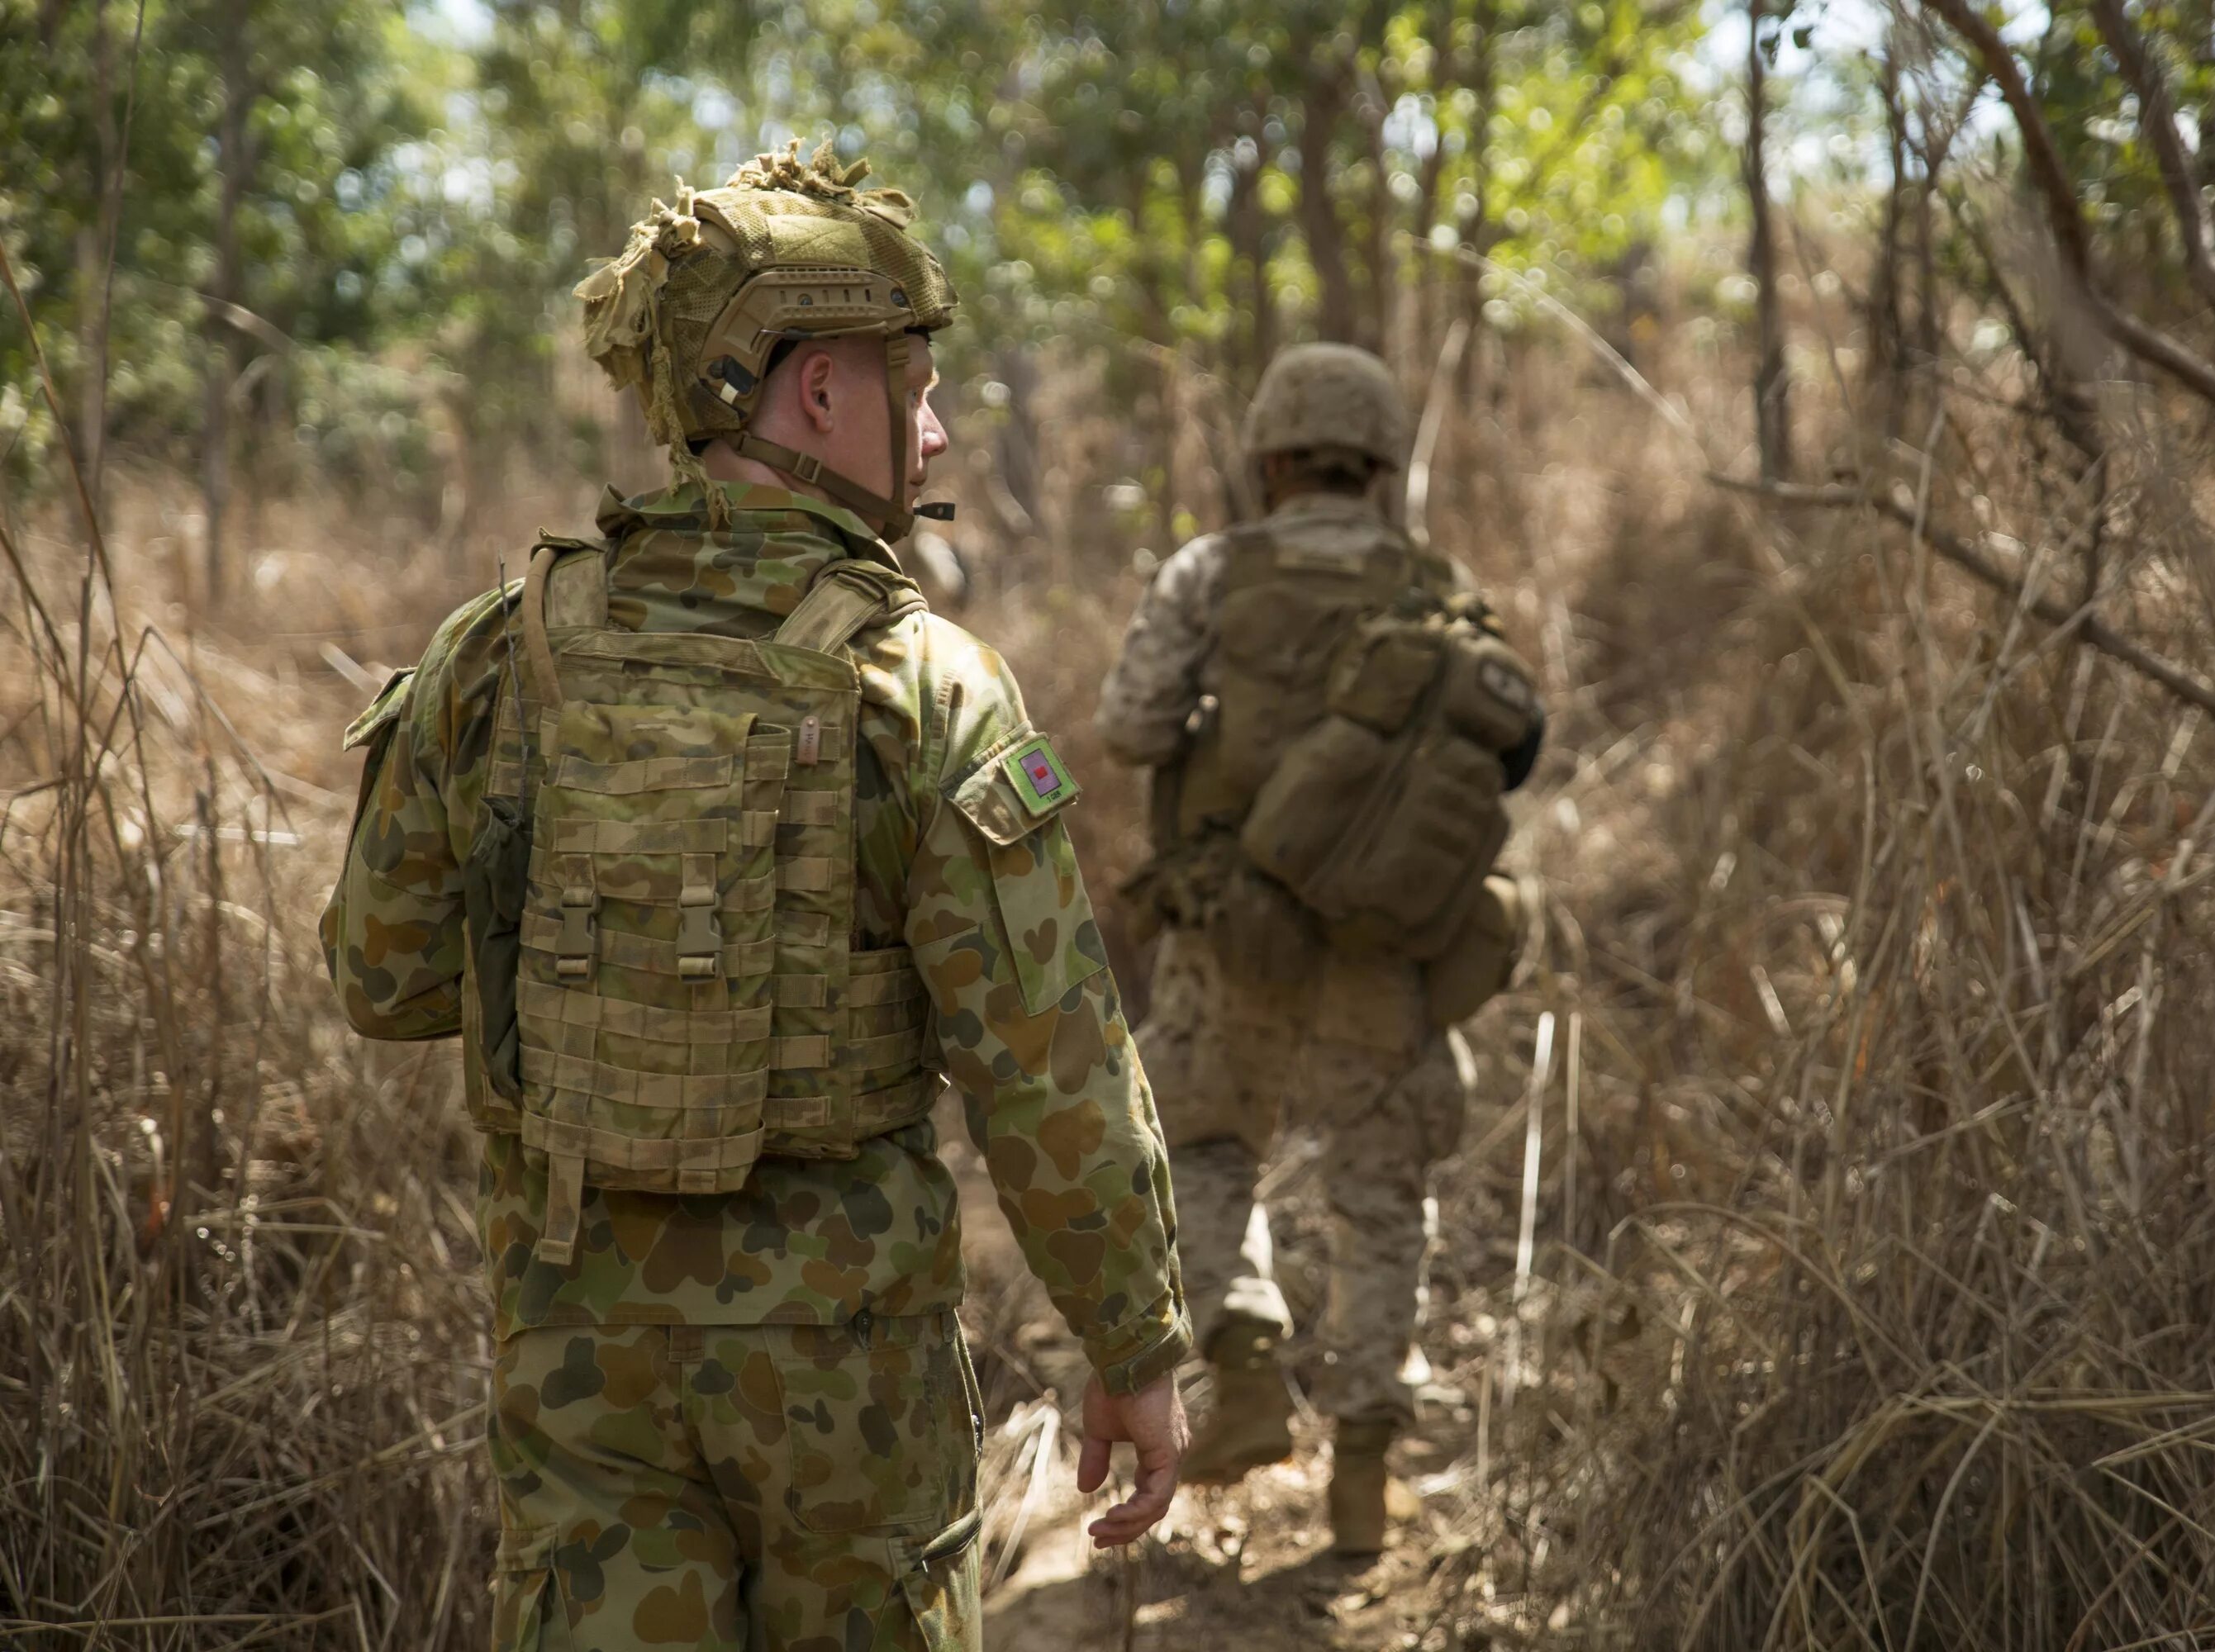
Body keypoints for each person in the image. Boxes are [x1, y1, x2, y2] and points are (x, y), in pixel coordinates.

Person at [323, 141, 1189, 1650]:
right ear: (817, 394)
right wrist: (1132, 1341)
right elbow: (1044, 1059)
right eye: (912, 383)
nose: (941, 424)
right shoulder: (926, 685)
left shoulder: (494, 654)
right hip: (841, 1377)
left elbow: (381, 983)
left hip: (580, 1353)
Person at [1094, 342, 1539, 1557]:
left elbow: (1130, 726)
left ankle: (1243, 1372)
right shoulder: (1436, 581)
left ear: (1273, 455)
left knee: (1200, 1152)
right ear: (1382, 462)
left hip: (1230, 934)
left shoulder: (1209, 572)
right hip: (1382, 951)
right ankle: (1363, 1471)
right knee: (1380, 1197)